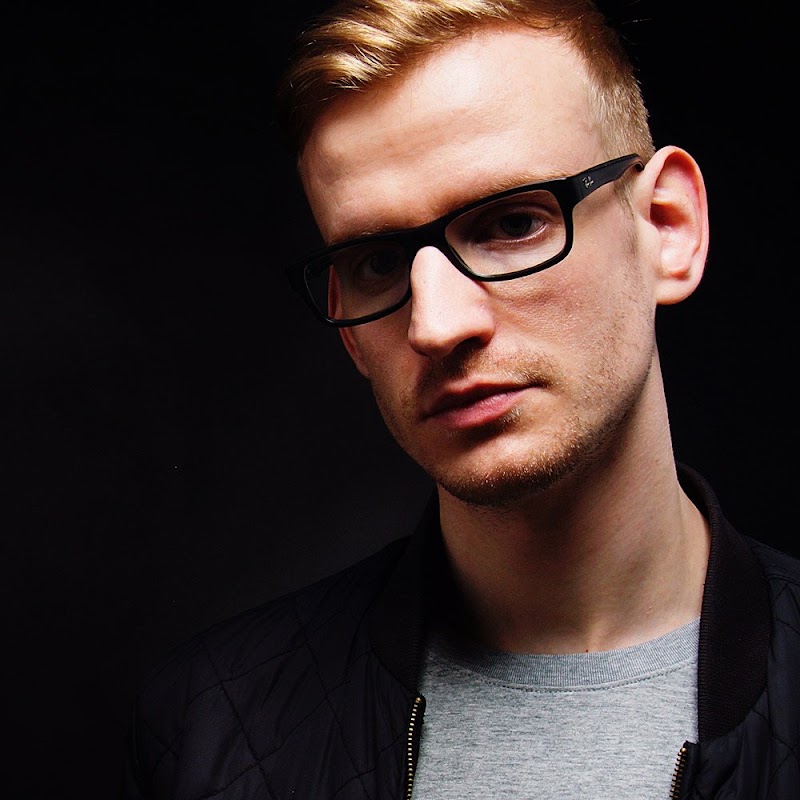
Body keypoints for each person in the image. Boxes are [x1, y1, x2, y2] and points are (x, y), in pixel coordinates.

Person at [122, 1, 800, 797]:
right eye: (379, 263)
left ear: (667, 227)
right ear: (348, 329)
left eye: (512, 224)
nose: (437, 325)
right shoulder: (207, 728)